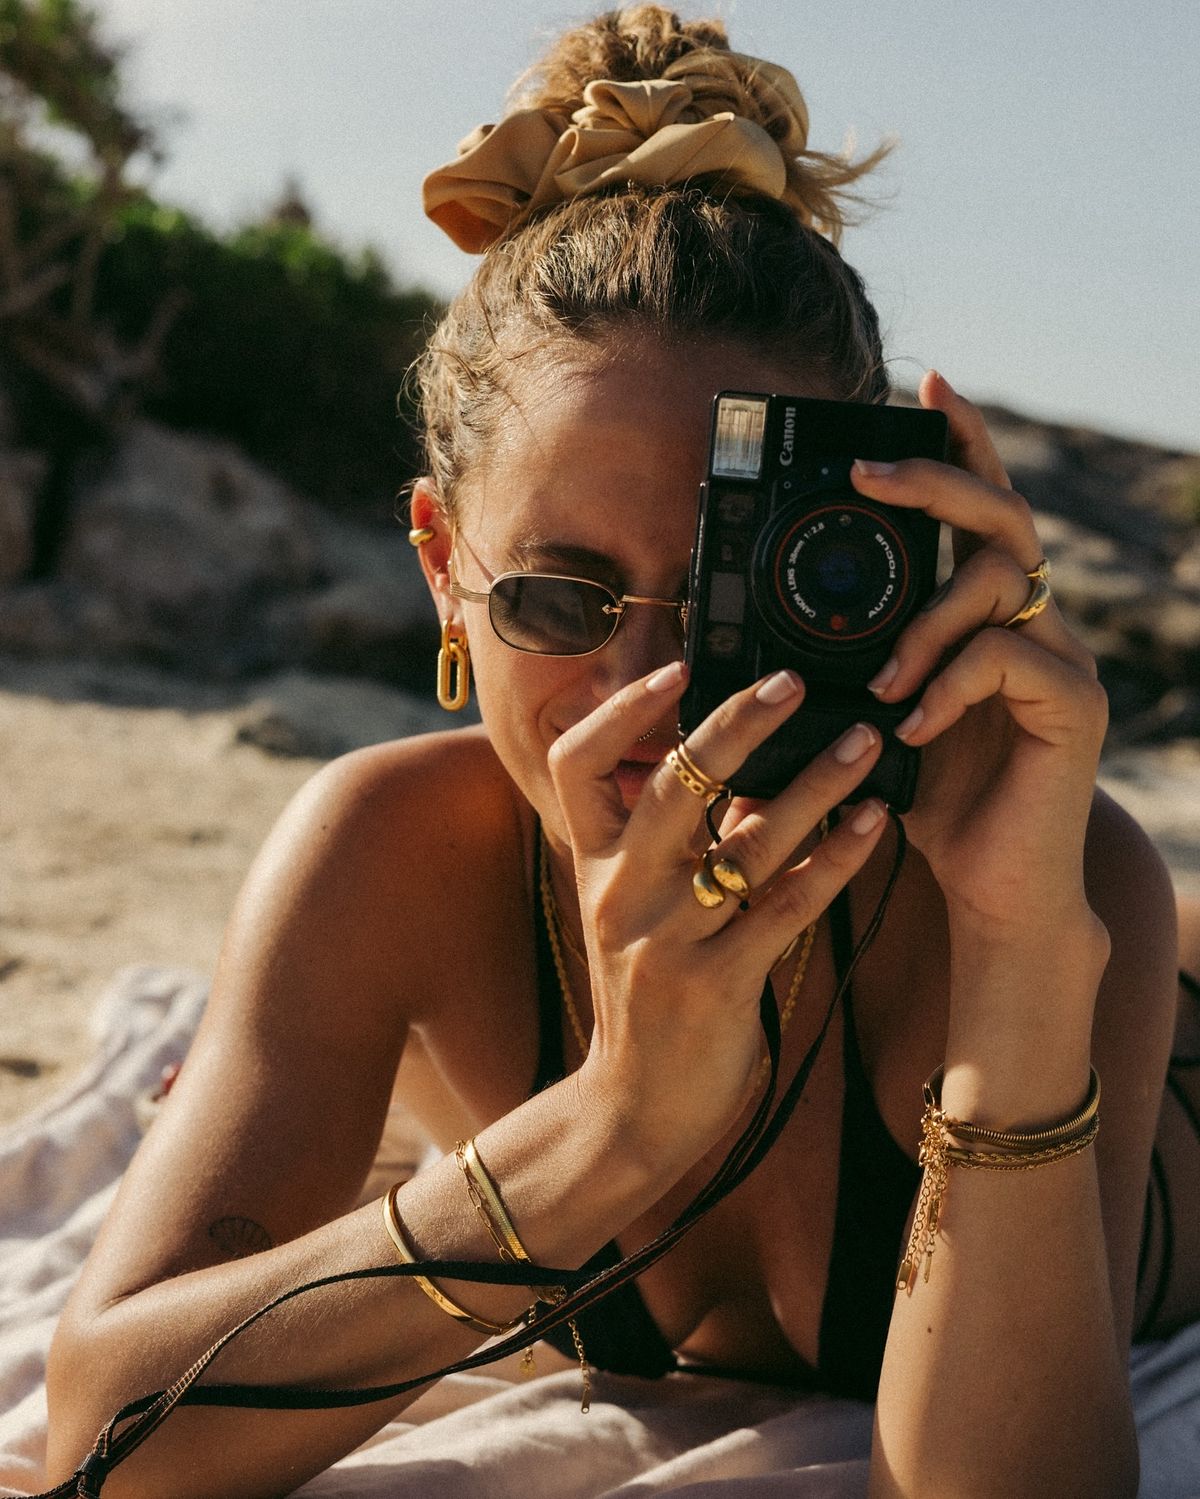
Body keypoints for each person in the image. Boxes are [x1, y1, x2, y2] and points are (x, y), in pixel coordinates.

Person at [43, 7, 1197, 1497]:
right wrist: (608, 1124)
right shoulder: (396, 854)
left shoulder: (1020, 874)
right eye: (558, 598)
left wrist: (1027, 949)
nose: (651, 684)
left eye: (736, 593)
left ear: (868, 554)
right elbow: (103, 1448)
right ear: (440, 569)